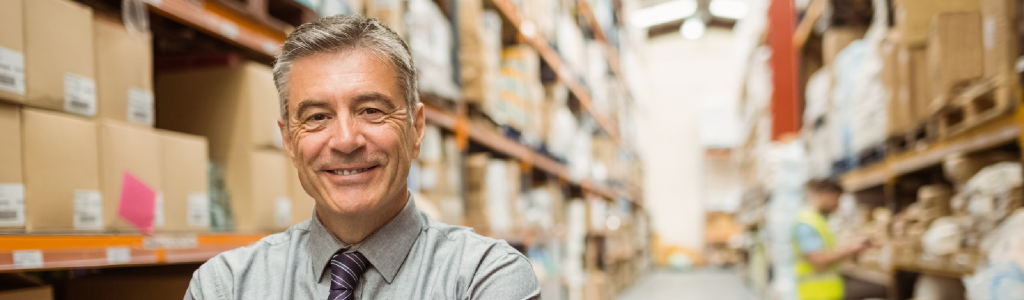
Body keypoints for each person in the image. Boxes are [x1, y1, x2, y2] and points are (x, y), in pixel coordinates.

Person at [184, 15, 540, 300]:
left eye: (371, 110)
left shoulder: (486, 277)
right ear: (289, 142)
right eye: (317, 117)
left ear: (416, 129)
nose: (345, 140)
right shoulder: (226, 285)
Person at [792, 179, 871, 300]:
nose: (837, 206)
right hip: (816, 295)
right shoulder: (807, 223)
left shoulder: (819, 220)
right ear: (825, 195)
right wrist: (850, 249)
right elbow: (817, 260)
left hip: (825, 294)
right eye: (837, 199)